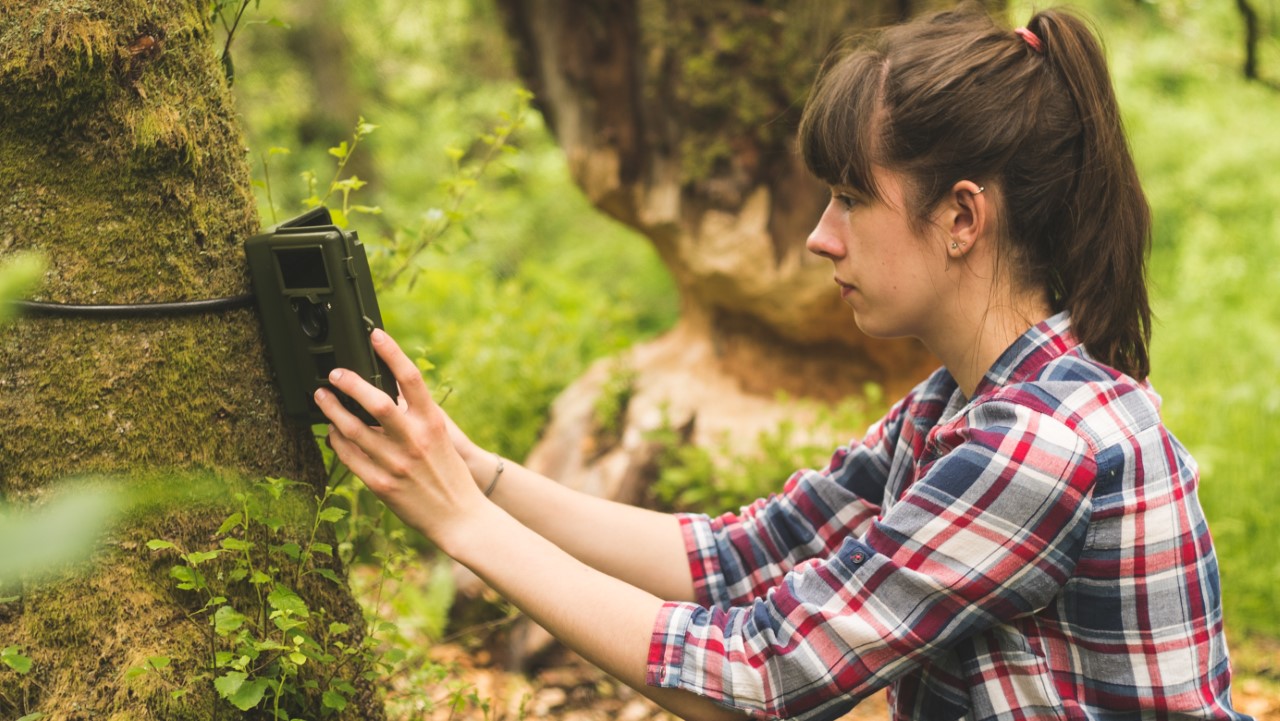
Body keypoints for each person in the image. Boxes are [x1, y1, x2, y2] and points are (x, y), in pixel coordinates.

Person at [314, 5, 1251, 720]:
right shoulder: (956, 410)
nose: (818, 237)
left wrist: (465, 525)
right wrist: (475, 471)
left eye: (850, 198)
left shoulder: (1041, 444)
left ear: (963, 217)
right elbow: (732, 559)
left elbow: (761, 678)